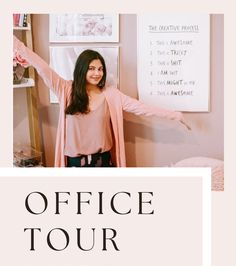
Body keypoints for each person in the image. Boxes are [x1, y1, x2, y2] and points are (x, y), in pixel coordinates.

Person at [13, 35, 190, 168]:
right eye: (91, 68)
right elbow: (42, 67)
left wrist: (175, 115)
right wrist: (16, 44)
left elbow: (141, 108)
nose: (97, 73)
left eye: (100, 69)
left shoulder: (111, 95)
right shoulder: (66, 89)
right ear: (82, 70)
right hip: (75, 165)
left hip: (104, 162)